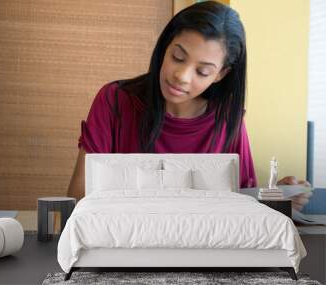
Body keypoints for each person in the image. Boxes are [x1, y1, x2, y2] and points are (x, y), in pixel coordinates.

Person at [67, 1, 312, 210]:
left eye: (202, 71)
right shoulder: (115, 101)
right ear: (165, 46)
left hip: (204, 253)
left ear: (220, 74)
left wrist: (278, 197)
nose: (182, 76)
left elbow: (243, 204)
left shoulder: (227, 120)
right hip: (122, 245)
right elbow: (79, 198)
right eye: (178, 57)